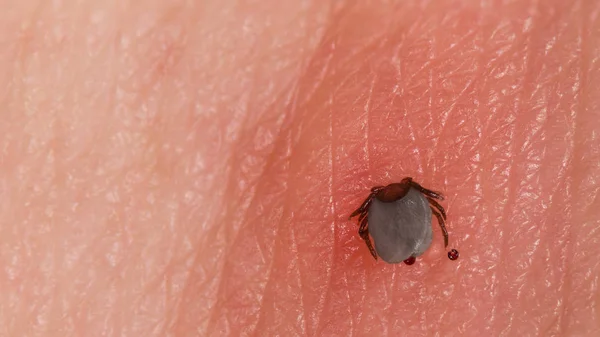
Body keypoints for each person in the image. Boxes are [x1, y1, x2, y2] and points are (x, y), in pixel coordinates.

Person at [1, 1, 598, 335]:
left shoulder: (390, 211)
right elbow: (425, 215)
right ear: (417, 195)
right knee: (408, 240)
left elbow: (379, 228)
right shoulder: (422, 204)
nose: (386, 189)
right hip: (409, 232)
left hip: (401, 232)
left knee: (396, 242)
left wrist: (376, 229)